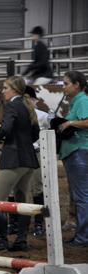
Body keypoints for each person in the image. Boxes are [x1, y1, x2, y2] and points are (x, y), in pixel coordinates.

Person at [0, 76, 39, 252]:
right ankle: (21, 240)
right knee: (22, 201)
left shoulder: (12, 105)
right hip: (29, 159)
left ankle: (1, 240)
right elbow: (35, 132)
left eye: (6, 88)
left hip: (14, 159)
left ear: (14, 89)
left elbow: (5, 127)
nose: (3, 91)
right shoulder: (28, 105)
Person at [7, 86, 49, 237]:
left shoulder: (43, 116)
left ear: (34, 100)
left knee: (37, 187)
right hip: (18, 153)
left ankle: (39, 223)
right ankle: (13, 222)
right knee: (13, 188)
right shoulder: (14, 113)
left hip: (36, 153)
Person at [57, 70, 88, 247]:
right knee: (80, 195)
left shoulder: (83, 100)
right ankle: (81, 234)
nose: (64, 87)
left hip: (79, 152)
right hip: (76, 152)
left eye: (66, 83)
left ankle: (83, 237)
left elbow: (87, 122)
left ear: (76, 85)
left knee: (81, 196)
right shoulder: (76, 101)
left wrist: (69, 123)